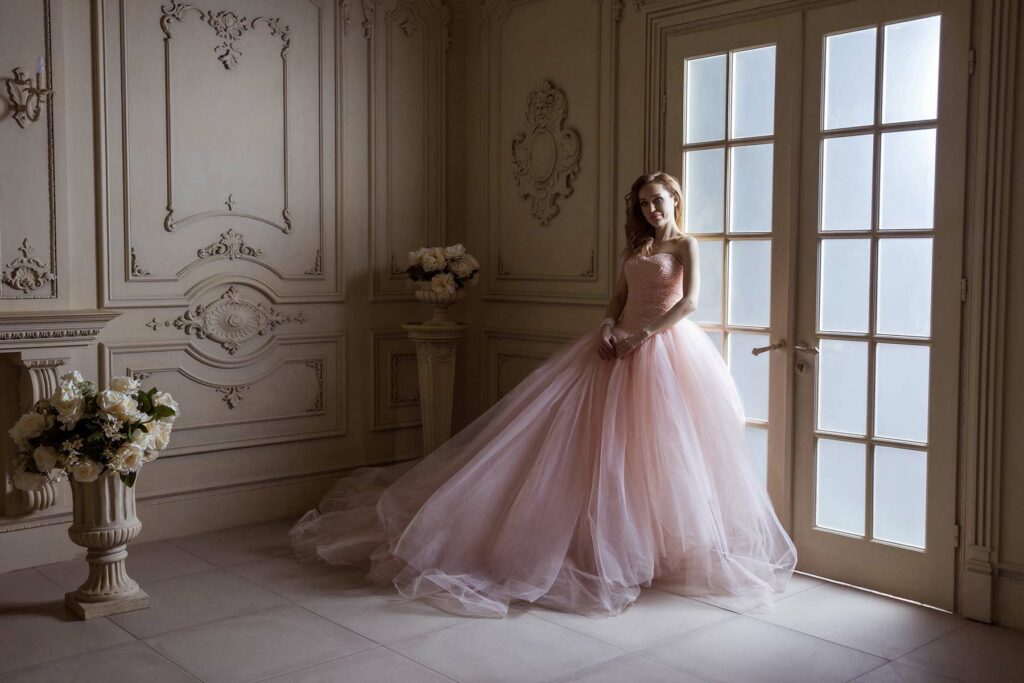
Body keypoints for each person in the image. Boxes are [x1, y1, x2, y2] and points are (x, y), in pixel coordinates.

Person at [290, 171, 798, 618]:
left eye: (657, 200)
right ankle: (600, 548)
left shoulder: (683, 246)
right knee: (598, 450)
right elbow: (616, 300)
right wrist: (606, 327)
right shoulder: (635, 250)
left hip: (662, 349)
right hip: (611, 348)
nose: (650, 209)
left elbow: (689, 303)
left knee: (655, 451)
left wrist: (642, 336)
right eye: (643, 203)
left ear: (674, 201)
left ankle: (651, 550)